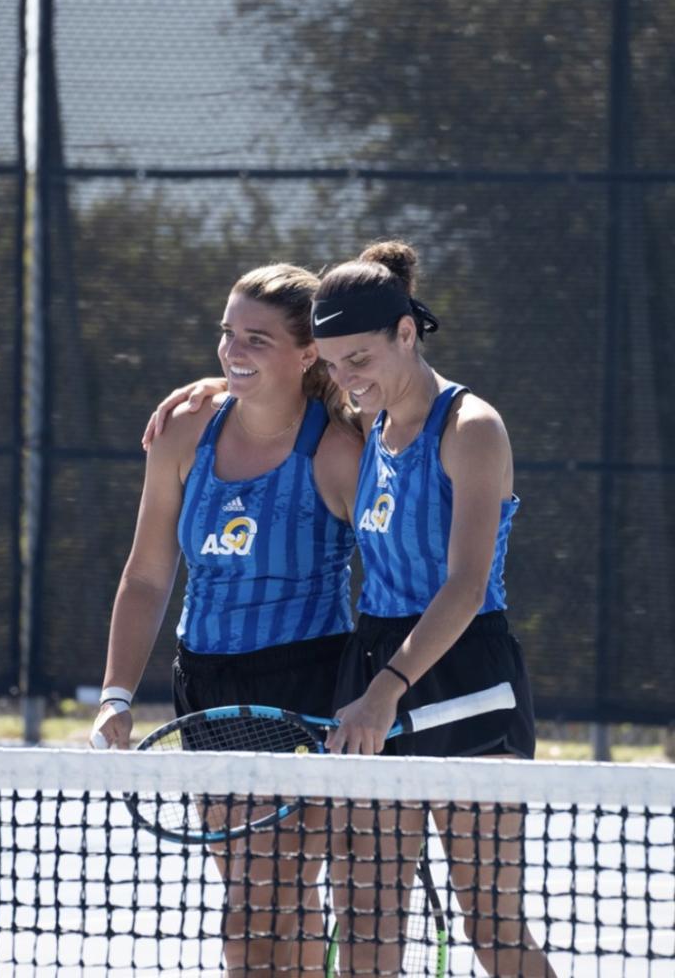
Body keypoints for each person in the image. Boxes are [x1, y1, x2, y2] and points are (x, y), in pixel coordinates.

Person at [144, 242, 552, 976]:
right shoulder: (370, 427)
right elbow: (280, 387)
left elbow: (465, 584)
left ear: (407, 333)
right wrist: (222, 381)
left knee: (492, 928)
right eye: (333, 364)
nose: (346, 378)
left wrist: (383, 694)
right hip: (370, 681)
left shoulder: (472, 429)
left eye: (358, 359)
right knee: (364, 938)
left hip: (465, 679)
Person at [92, 264, 361, 977]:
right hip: (205, 688)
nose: (233, 351)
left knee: (273, 892)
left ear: (309, 353)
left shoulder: (338, 452)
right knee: (246, 892)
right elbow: (147, 573)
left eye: (257, 339)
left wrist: (382, 691)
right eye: (227, 334)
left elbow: (393, 581)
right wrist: (116, 692)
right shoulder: (185, 431)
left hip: (304, 687)